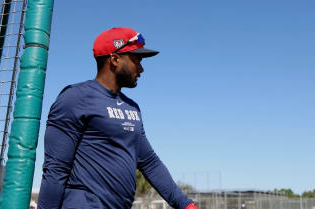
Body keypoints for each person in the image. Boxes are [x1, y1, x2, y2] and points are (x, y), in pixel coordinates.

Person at [37, 27, 198, 209]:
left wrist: (185, 205)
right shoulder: (75, 98)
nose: (141, 68)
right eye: (136, 60)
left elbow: (150, 162)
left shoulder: (132, 108)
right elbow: (56, 170)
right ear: (114, 59)